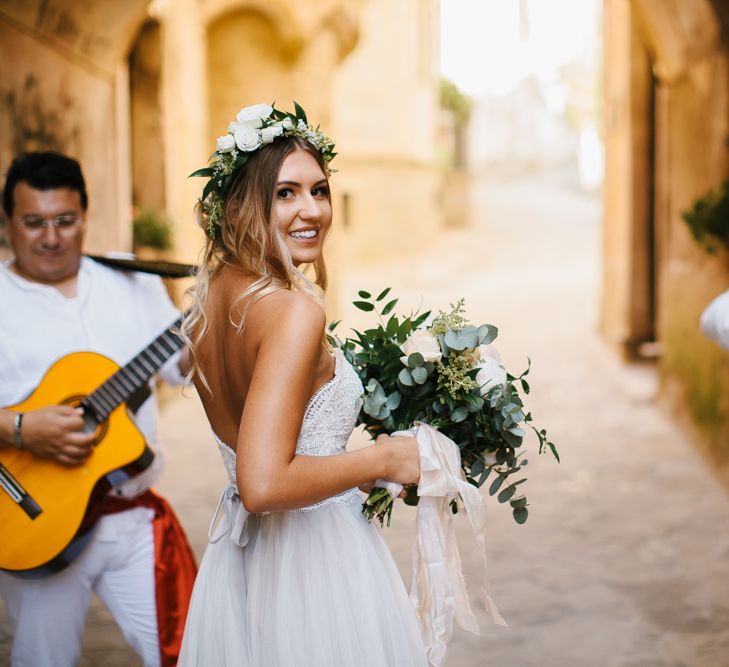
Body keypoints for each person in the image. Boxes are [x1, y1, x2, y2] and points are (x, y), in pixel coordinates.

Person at [178, 103, 428, 666]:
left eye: (319, 190)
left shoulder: (210, 301)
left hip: (248, 564)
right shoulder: (292, 312)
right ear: (239, 207)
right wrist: (382, 460)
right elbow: (263, 482)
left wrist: (338, 466)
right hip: (317, 565)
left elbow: (272, 447)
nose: (311, 210)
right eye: (285, 193)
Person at [0, 151, 196, 667]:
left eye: (65, 221)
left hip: (130, 516)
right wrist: (20, 428)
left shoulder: (131, 279)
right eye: (34, 223)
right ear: (7, 223)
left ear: (84, 218)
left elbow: (183, 366)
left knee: (197, 653)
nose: (50, 237)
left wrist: (223, 316)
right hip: (34, 520)